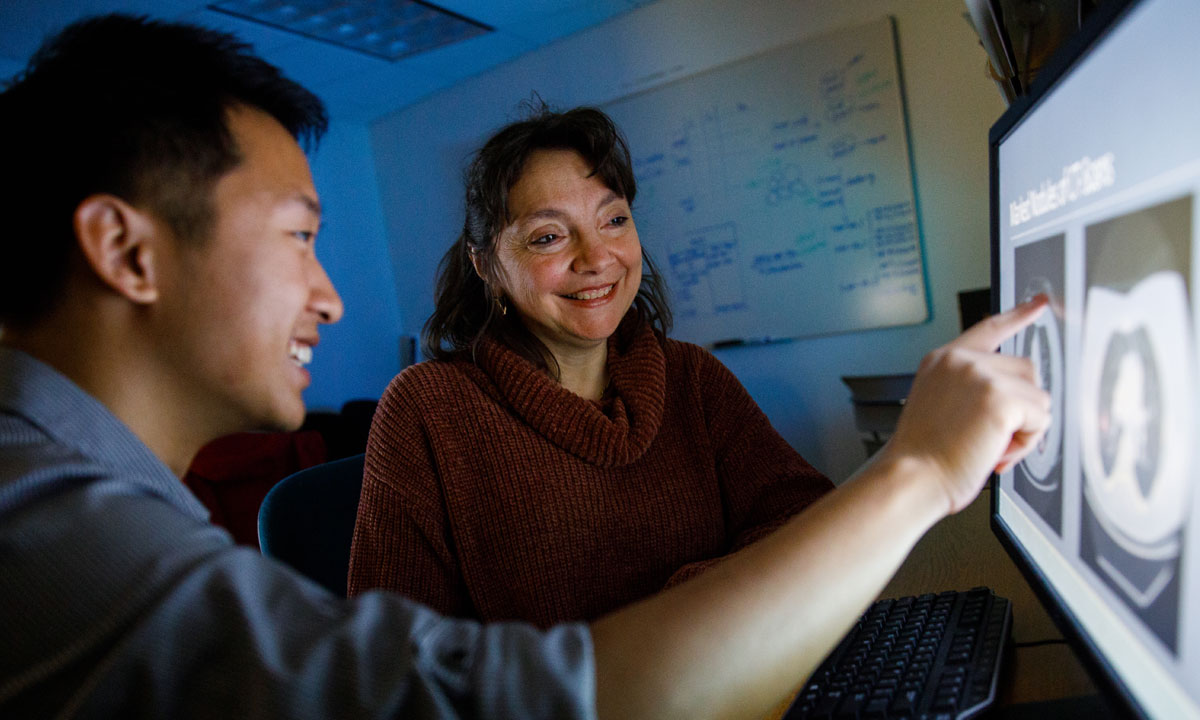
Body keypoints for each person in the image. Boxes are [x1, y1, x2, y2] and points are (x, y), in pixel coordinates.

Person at [0, 12, 1051, 720]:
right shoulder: (44, 523)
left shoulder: (112, 500)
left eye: (614, 221)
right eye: (294, 237)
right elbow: (479, 694)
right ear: (128, 252)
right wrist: (917, 469)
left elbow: (793, 517)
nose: (330, 297)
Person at [347, 105, 837, 628]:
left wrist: (683, 608)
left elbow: (810, 520)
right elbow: (391, 655)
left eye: (614, 221)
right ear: (485, 264)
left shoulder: (691, 376)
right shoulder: (429, 409)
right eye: (548, 236)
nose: (597, 257)